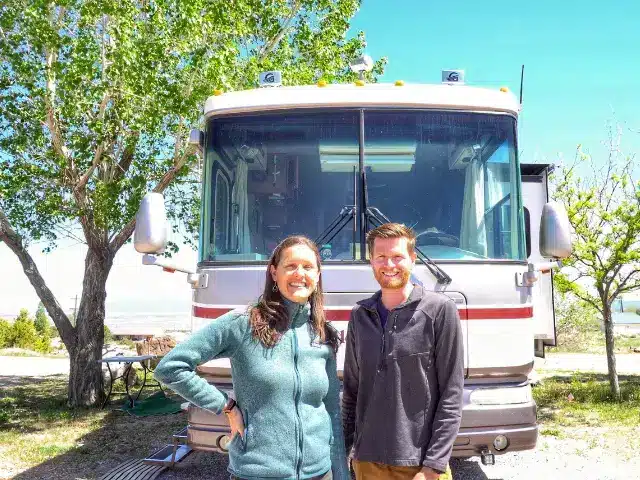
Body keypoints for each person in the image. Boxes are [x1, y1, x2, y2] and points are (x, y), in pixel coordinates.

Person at [154, 236, 349, 480]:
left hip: (319, 474)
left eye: (308, 267)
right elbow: (171, 367)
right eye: (290, 266)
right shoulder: (244, 324)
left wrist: (341, 473)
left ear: (318, 275)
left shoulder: (323, 333)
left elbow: (331, 410)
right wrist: (225, 405)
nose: (300, 273)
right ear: (274, 273)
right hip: (257, 473)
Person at [341, 223, 464, 480]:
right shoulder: (360, 315)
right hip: (367, 463)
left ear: (412, 259)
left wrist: (433, 465)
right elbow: (352, 391)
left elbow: (451, 395)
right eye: (381, 257)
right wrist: (345, 450)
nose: (390, 264)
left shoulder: (440, 311)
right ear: (371, 262)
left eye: (398, 256)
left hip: (419, 464)